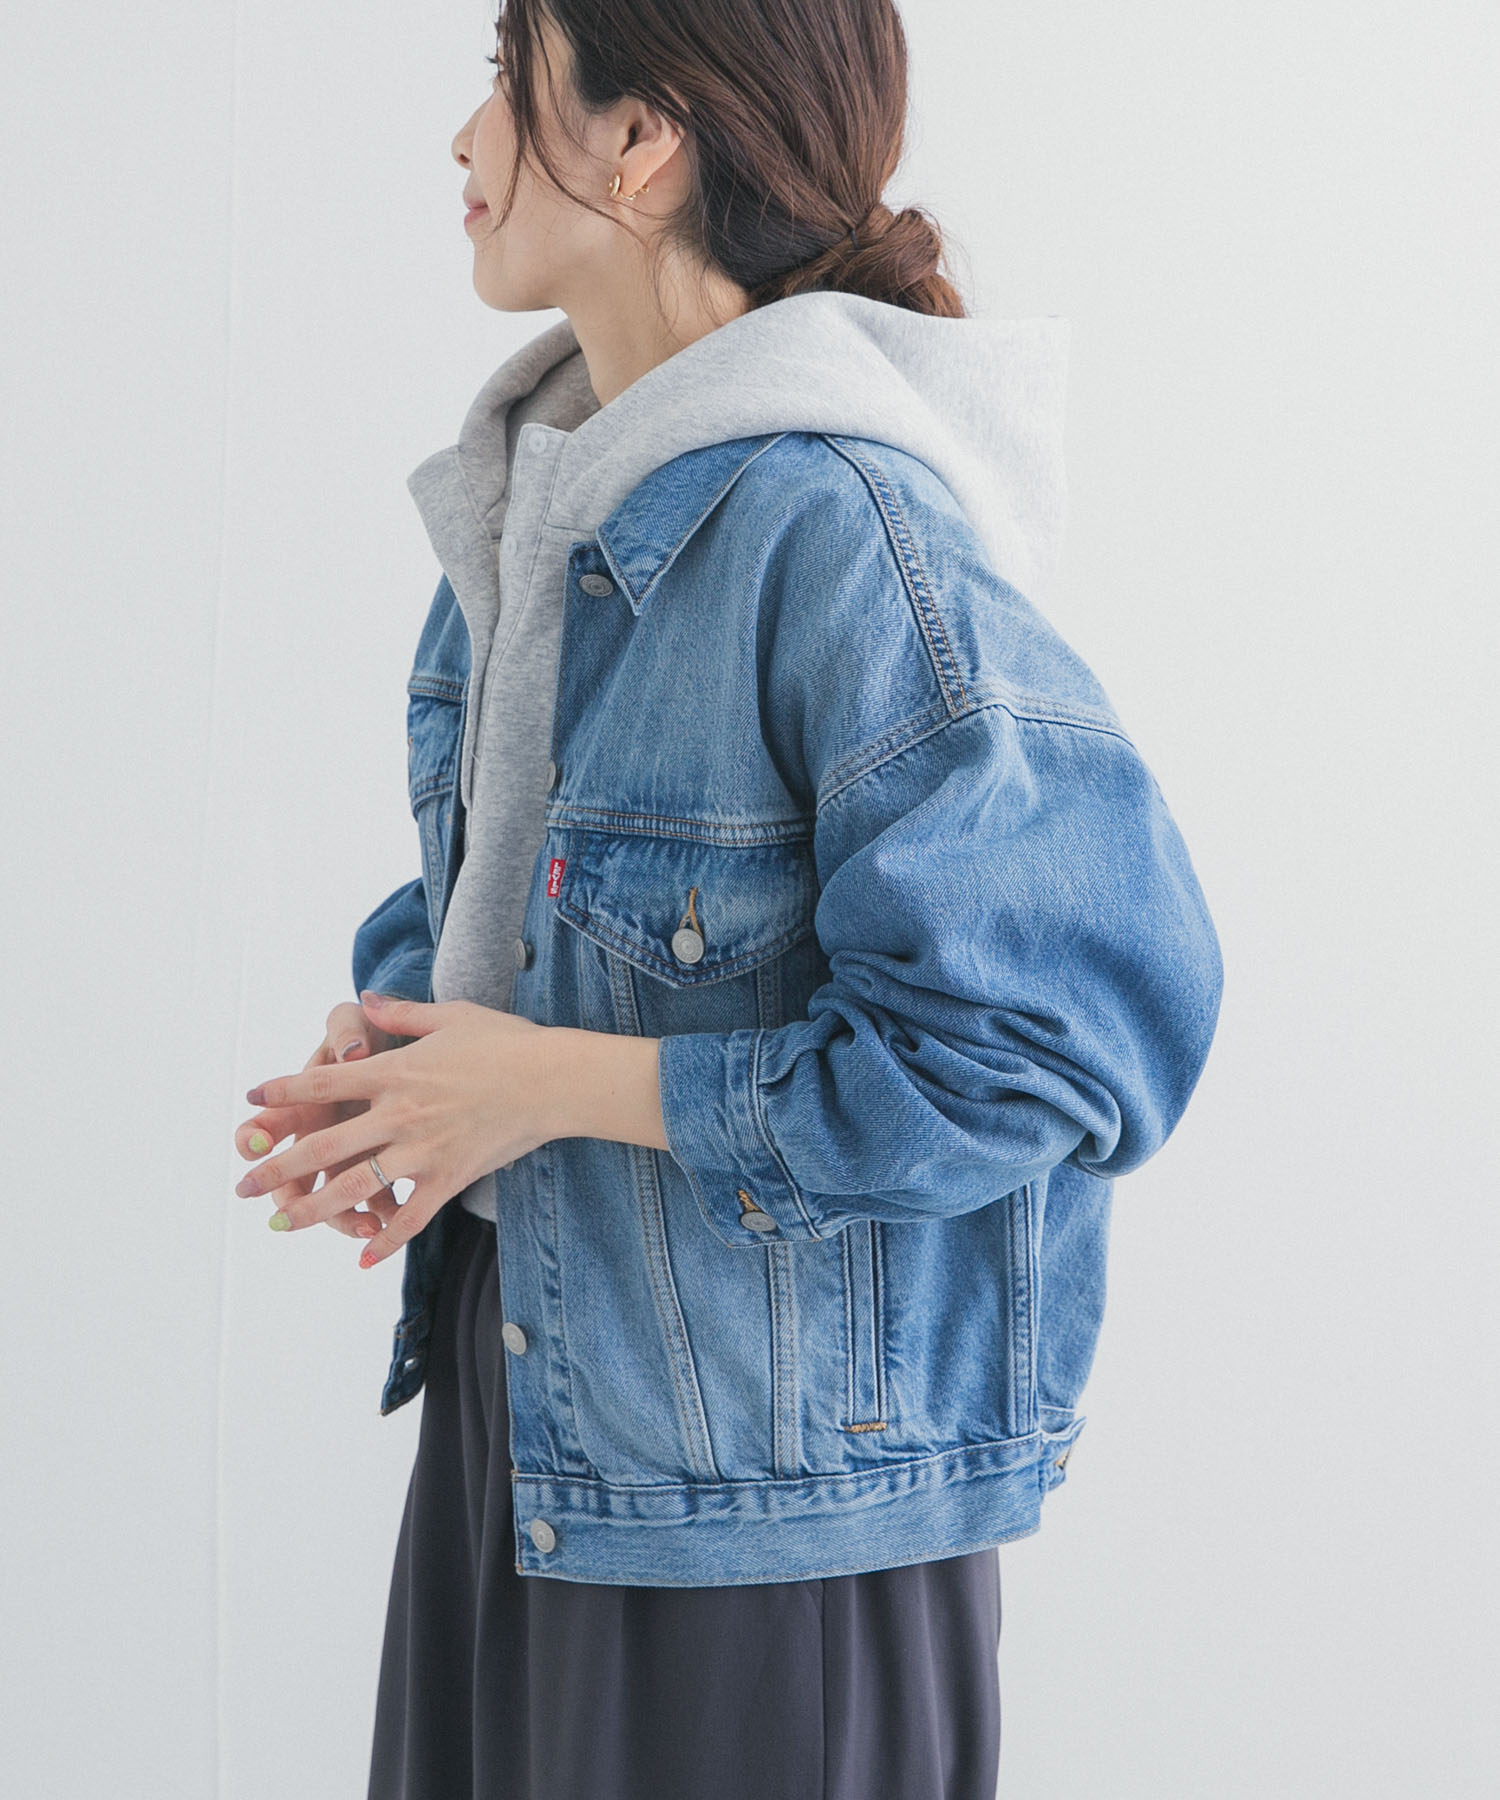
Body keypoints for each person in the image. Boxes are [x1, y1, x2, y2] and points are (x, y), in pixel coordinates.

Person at [232, 3, 1224, 1795]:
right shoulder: (542, 516)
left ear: (644, 139)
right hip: (532, 1440)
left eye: (505, 74)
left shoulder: (844, 533)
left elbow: (1057, 1048)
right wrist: (412, 1063)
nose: (463, 140)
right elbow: (552, 909)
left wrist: (544, 1087)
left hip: (766, 1540)